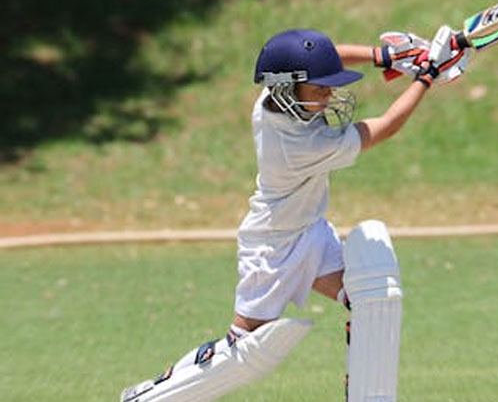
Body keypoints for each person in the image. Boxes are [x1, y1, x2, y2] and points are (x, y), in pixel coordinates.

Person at [119, 28, 469, 402]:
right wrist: (427, 75)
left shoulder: (273, 95)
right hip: (273, 246)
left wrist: (385, 57)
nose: (330, 94)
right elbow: (385, 127)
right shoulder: (299, 144)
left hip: (310, 230)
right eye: (321, 90)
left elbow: (324, 57)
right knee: (243, 351)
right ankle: (149, 399)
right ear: (289, 90)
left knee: (372, 297)